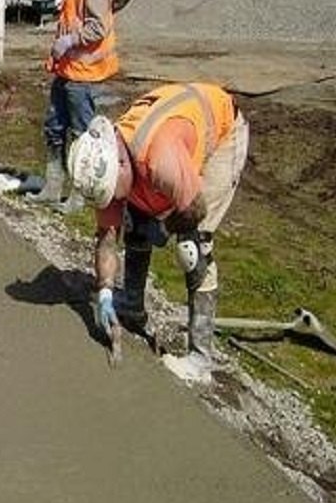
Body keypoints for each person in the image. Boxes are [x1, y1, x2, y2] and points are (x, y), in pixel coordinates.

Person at [66, 82, 249, 385]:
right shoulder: (107, 162)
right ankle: (132, 307)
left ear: (122, 164)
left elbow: (193, 210)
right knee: (135, 219)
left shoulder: (161, 159)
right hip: (168, 142)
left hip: (221, 131)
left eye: (112, 192)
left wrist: (162, 229)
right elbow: (107, 237)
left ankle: (200, 358)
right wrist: (106, 292)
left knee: (194, 248)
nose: (111, 199)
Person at [29, 0, 119, 210]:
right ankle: (53, 187)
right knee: (54, 127)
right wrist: (58, 51)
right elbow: (70, 22)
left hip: (85, 76)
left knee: (82, 137)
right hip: (68, 71)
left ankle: (78, 197)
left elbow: (97, 28)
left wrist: (69, 42)